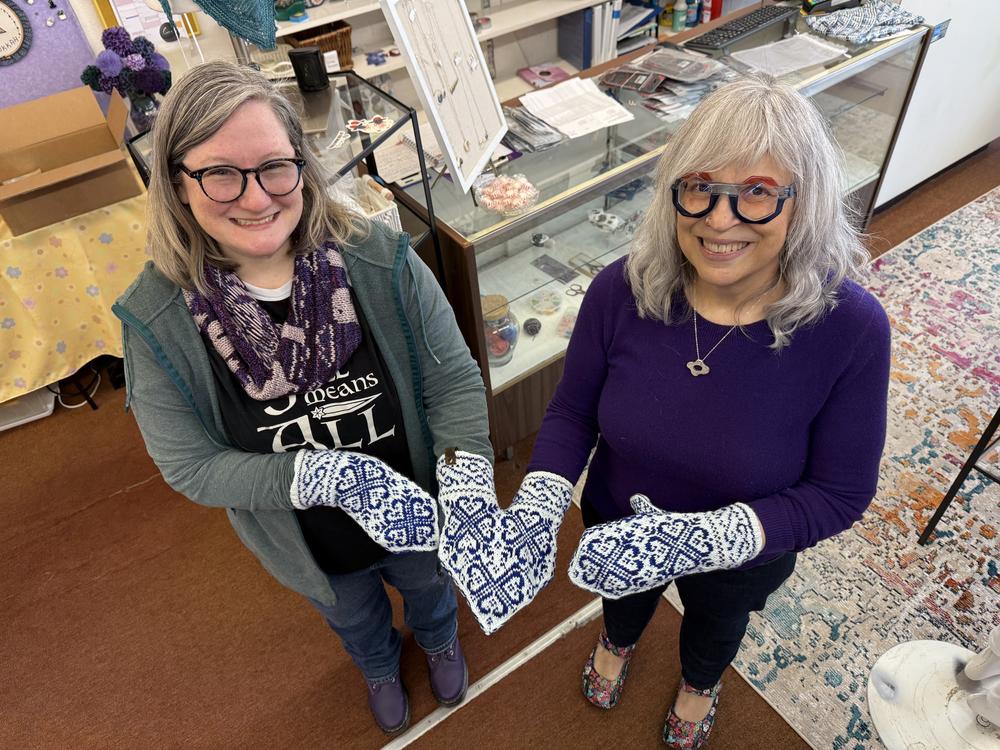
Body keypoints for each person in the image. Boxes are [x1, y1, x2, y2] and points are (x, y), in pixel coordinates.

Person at [439, 72, 891, 747]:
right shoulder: (621, 290)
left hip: (746, 552)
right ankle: (618, 641)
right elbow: (571, 414)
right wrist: (536, 505)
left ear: (804, 203)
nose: (719, 219)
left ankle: (700, 683)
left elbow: (841, 493)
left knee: (715, 623)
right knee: (621, 596)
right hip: (619, 514)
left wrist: (710, 540)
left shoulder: (850, 328)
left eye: (757, 195)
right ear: (673, 190)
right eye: (700, 187)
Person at [113, 60, 491, 737]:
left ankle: (438, 638)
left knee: (430, 585)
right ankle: (378, 663)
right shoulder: (159, 318)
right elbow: (191, 466)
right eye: (219, 172)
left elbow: (453, 382)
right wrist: (325, 476)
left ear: (303, 167)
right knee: (352, 613)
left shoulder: (377, 258)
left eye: (274, 168)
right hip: (309, 540)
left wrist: (464, 488)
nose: (255, 199)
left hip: (417, 506)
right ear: (177, 182)